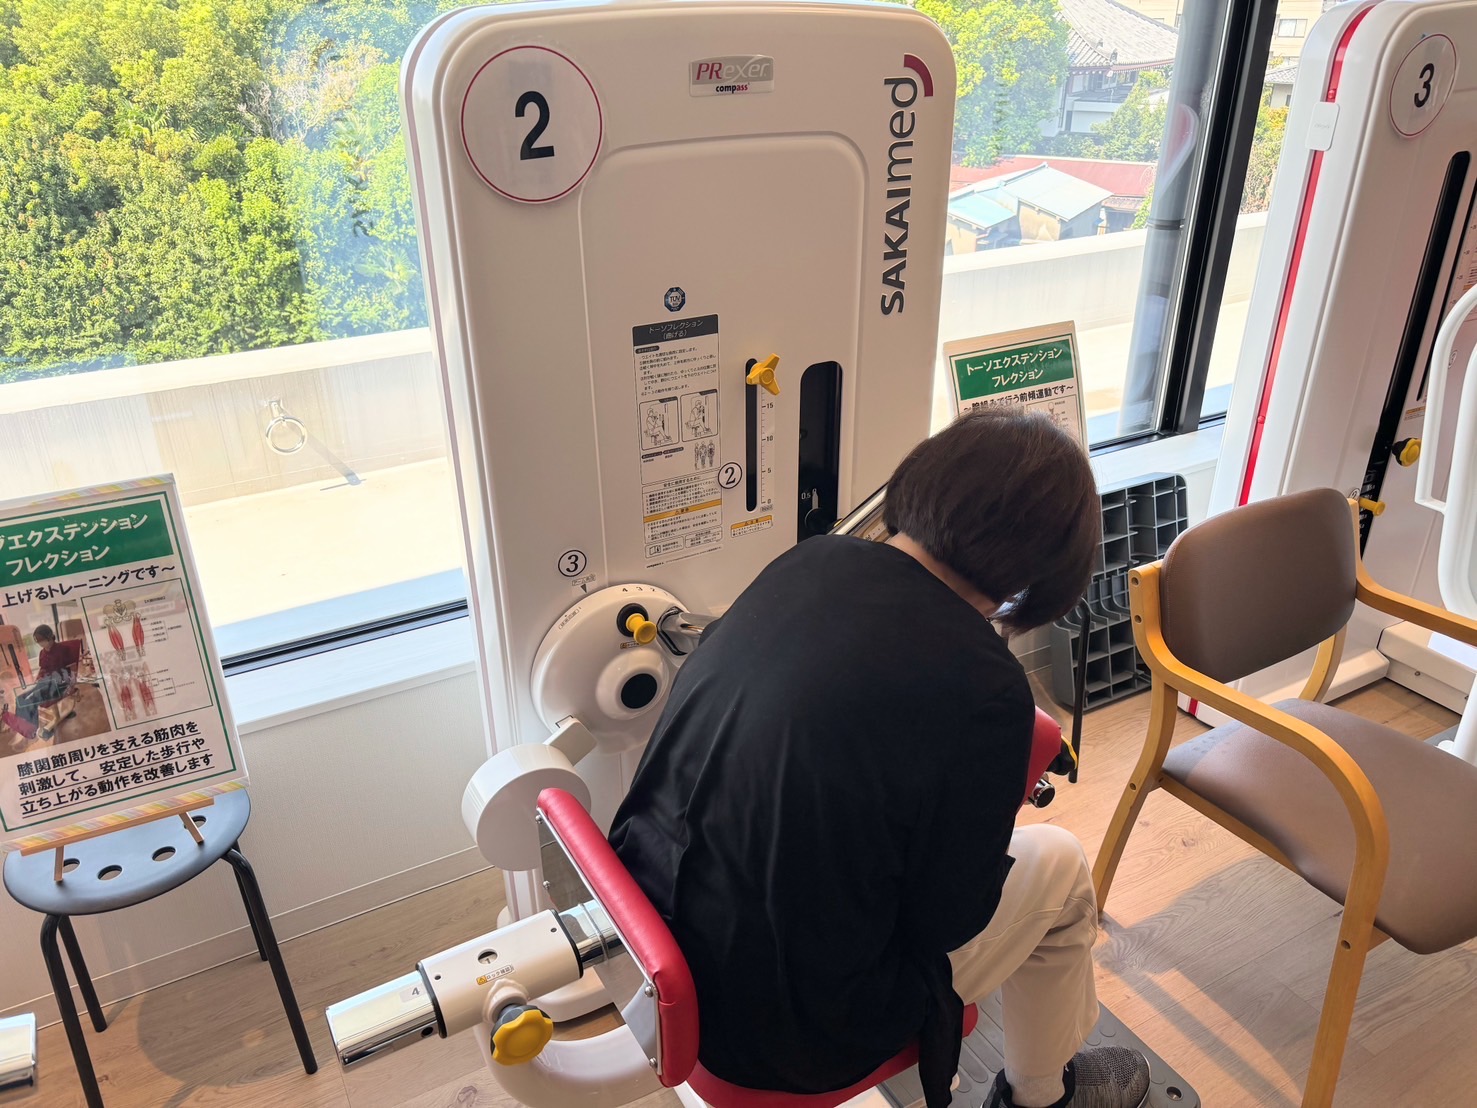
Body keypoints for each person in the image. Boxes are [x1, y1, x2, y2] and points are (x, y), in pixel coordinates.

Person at [609, 408, 1151, 1108]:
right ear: (1048, 570)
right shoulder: (987, 688)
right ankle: (1041, 1097)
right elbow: (946, 922)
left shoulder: (806, 561)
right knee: (1063, 869)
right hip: (787, 1030)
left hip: (656, 934)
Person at [14, 624, 81, 736]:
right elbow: (43, 669)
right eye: (37, 640)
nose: (40, 643)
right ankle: (22, 726)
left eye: (41, 639)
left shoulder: (63, 650)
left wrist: (71, 685)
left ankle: (30, 729)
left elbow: (72, 668)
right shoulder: (42, 653)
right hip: (46, 682)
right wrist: (37, 680)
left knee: (32, 700)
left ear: (49, 636)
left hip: (60, 684)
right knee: (20, 699)